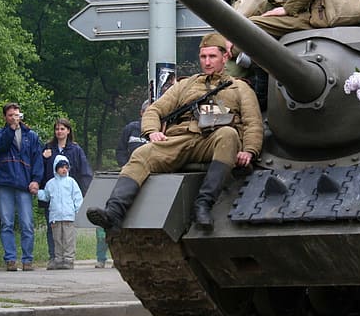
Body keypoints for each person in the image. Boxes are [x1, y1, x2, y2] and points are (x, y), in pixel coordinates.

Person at [87, 33, 263, 232]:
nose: (207, 62)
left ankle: (203, 205)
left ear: (224, 57)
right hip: (180, 139)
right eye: (203, 57)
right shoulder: (185, 85)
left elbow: (253, 123)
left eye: (212, 57)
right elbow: (154, 110)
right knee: (141, 154)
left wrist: (249, 150)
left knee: (228, 135)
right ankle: (114, 213)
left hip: (213, 141)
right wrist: (152, 131)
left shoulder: (239, 88)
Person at [0, 103, 44, 271]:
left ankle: (27, 259)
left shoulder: (32, 136)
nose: (14, 117)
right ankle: (10, 259)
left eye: (16, 114)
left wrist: (36, 180)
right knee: (7, 223)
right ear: (5, 118)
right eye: (10, 115)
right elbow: (2, 146)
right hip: (5, 182)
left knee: (27, 224)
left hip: (24, 183)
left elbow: (37, 159)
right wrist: (11, 129)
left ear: (21, 115)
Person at [40, 118, 90, 269]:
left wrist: (87, 192)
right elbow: (39, 169)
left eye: (62, 129)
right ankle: (54, 258)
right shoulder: (48, 148)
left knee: (68, 233)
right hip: (52, 195)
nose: (59, 132)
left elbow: (84, 171)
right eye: (57, 129)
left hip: (68, 198)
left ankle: (67, 259)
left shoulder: (75, 149)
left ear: (68, 130)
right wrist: (43, 158)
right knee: (52, 230)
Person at [37, 156, 83, 270]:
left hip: (69, 216)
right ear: (55, 168)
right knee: (57, 239)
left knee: (68, 239)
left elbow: (77, 197)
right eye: (61, 167)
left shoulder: (71, 182)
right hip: (55, 217)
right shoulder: (50, 183)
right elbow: (46, 196)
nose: (64, 169)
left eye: (66, 167)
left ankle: (68, 259)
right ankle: (58, 259)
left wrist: (79, 211)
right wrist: (37, 192)